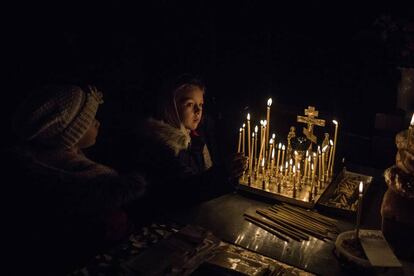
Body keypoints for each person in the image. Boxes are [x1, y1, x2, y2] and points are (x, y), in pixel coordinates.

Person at [5, 85, 146, 275]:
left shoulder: (34, 163)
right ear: (69, 132)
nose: (97, 122)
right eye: (89, 120)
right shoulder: (95, 182)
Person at [125, 75, 247, 208]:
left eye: (200, 105)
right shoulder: (160, 143)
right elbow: (185, 190)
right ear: (171, 107)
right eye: (190, 104)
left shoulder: (195, 137)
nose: (198, 111)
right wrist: (224, 172)